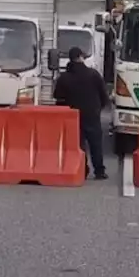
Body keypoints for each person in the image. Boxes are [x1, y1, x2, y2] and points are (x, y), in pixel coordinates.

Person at [52, 47, 109, 180]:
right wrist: (99, 107)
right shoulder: (93, 74)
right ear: (81, 57)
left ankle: (82, 169)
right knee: (95, 143)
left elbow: (57, 97)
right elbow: (103, 95)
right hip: (92, 114)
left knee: (78, 144)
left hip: (72, 115)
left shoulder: (64, 78)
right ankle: (99, 170)